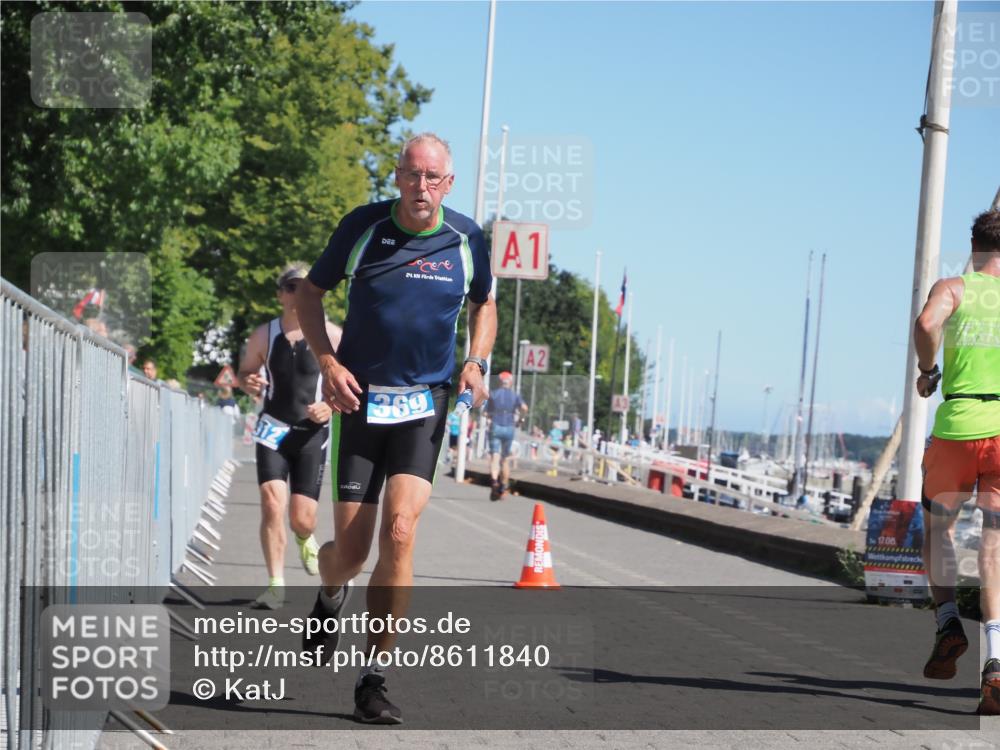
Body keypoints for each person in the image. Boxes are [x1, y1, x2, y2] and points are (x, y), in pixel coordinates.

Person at [296, 133, 496, 724]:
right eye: (413, 176)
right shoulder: (362, 227)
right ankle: (330, 597)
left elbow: (485, 302)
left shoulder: (467, 239)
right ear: (397, 177)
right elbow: (311, 294)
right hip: (360, 402)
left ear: (449, 184)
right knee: (349, 553)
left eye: (434, 178)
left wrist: (476, 361)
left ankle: (373, 678)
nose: (422, 188)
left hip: (426, 403)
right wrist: (327, 365)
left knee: (402, 532)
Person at [914, 209, 1000, 714]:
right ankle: (995, 661)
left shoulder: (955, 287)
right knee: (995, 544)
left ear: (973, 246)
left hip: (958, 426)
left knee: (938, 528)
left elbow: (927, 324)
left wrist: (929, 371)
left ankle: (948, 619)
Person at [237, 263, 342, 610]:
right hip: (272, 429)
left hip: (312, 433)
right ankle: (275, 585)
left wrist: (330, 405)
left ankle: (304, 537)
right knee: (271, 503)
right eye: (293, 287)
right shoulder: (264, 335)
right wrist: (247, 381)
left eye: (308, 286)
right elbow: (246, 373)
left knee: (302, 517)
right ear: (282, 294)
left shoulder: (334, 336)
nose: (301, 293)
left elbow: (349, 385)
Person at [485, 371, 527, 500]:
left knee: (495, 457)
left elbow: (485, 413)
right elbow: (524, 408)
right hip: (509, 427)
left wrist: (490, 417)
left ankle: (494, 481)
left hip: (496, 425)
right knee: (505, 459)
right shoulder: (515, 396)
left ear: (500, 382)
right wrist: (521, 420)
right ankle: (503, 486)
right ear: (511, 382)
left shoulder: (493, 394)